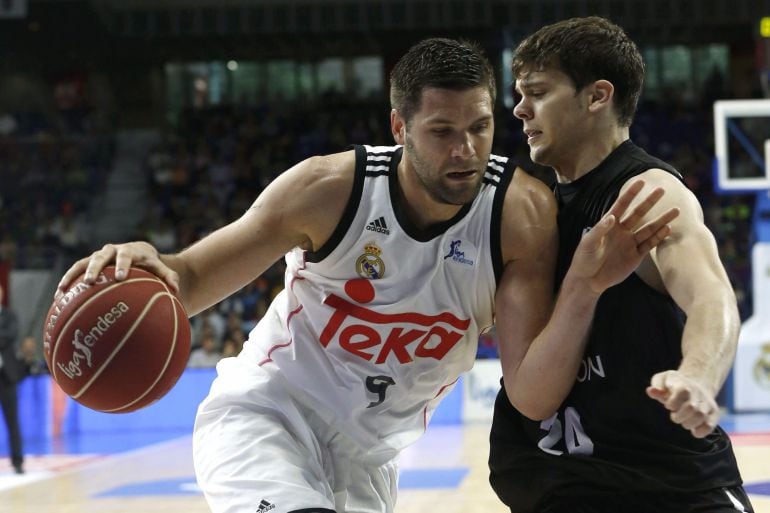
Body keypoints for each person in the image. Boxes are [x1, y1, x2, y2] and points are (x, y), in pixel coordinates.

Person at [58, 38, 676, 513]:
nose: (464, 150)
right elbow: (190, 278)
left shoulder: (520, 216)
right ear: (400, 128)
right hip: (267, 415)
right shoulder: (326, 190)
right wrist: (150, 264)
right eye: (441, 132)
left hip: (371, 461)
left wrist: (583, 288)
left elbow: (533, 394)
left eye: (480, 128)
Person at [488, 17, 752, 513]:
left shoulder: (645, 193)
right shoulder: (529, 206)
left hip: (667, 486)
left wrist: (696, 376)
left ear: (596, 96)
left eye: (538, 92)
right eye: (520, 94)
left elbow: (711, 296)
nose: (520, 109)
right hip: (563, 483)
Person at [0, 282, 24, 474]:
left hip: (6, 376)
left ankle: (18, 462)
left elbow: (9, 335)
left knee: (12, 421)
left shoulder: (10, 316)